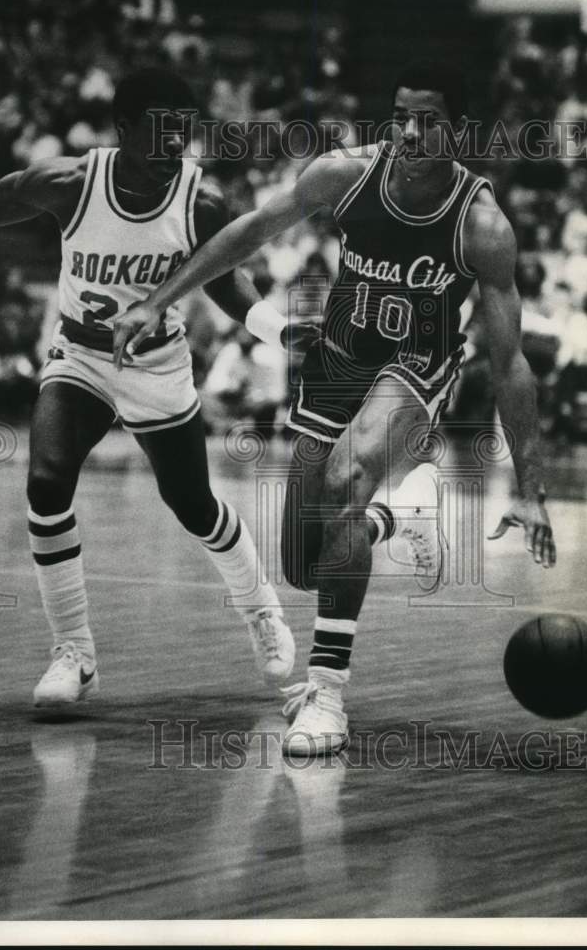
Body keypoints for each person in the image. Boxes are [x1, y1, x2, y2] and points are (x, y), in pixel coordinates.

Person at [114, 60, 557, 755]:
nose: (409, 132)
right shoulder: (344, 173)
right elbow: (248, 232)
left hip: (417, 366)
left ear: (459, 129)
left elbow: (508, 363)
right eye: (400, 116)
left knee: (345, 479)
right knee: (303, 563)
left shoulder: (481, 224)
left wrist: (530, 487)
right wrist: (156, 300)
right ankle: (400, 512)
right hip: (338, 361)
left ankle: (327, 691)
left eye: (428, 120)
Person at [0, 67, 313, 707]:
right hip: (81, 356)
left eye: (182, 139)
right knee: (45, 481)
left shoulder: (199, 201)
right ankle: (74, 652)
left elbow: (225, 282)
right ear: (122, 130)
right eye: (159, 138)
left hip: (159, 367)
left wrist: (276, 329)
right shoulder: (73, 183)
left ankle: (260, 606)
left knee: (193, 505)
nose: (172, 154)